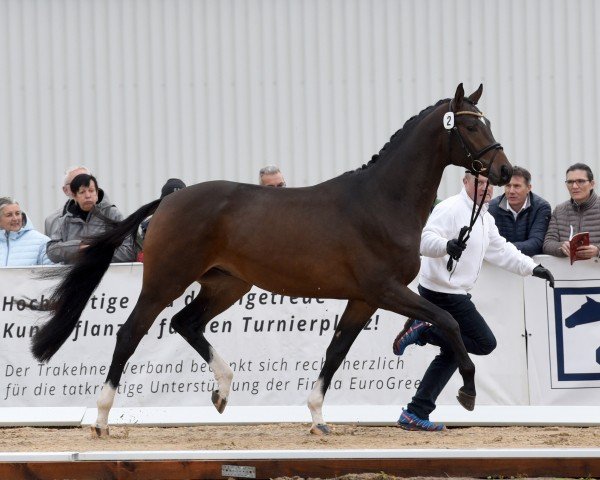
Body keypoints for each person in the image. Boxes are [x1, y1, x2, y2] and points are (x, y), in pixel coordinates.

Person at [392, 172, 555, 431]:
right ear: (465, 183)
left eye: (489, 184)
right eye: (479, 182)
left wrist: (532, 267)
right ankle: (425, 330)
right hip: (443, 292)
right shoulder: (451, 208)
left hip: (453, 291)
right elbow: (423, 240)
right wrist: (447, 245)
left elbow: (500, 250)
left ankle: (415, 412)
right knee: (484, 342)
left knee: (453, 352)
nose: (486, 188)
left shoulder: (484, 217)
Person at [46, 174, 134, 264]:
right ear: (74, 195)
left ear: (97, 193)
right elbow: (51, 251)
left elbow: (128, 251)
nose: (88, 195)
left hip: (107, 275)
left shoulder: (112, 214)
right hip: (75, 275)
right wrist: (78, 247)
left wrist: (95, 252)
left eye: (91, 191)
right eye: (82, 192)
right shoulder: (65, 221)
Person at [488, 166, 551, 256]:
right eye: (508, 186)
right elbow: (487, 242)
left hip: (530, 265)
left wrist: (502, 248)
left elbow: (536, 244)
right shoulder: (491, 208)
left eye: (517, 186)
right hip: (497, 266)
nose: (511, 191)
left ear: (528, 188)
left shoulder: (541, 207)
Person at [543, 163, 600, 259]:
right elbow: (547, 244)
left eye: (580, 181)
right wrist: (562, 247)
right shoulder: (559, 210)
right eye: (570, 182)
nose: (574, 186)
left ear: (592, 184)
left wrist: (597, 251)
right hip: (567, 273)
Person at [135, 178, 187, 261]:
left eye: (180, 202)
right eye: (171, 203)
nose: (175, 207)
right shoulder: (150, 226)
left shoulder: (194, 227)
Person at [0, 197, 53, 266]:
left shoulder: (42, 241)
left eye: (17, 213)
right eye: (9, 215)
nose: (15, 218)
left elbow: (50, 273)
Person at [44, 165, 91, 237]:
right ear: (65, 190)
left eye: (86, 183)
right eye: (75, 183)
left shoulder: (109, 214)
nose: (82, 188)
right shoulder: (52, 221)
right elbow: (50, 247)